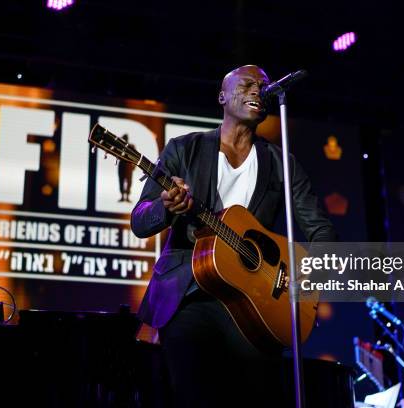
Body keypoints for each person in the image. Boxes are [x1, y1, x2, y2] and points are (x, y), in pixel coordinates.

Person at [131, 65, 337, 407]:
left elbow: (320, 230)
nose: (258, 90)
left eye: (263, 86)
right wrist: (166, 206)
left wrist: (310, 276)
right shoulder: (184, 149)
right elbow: (140, 220)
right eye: (247, 84)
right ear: (222, 97)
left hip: (255, 305)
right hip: (190, 293)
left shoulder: (279, 161)